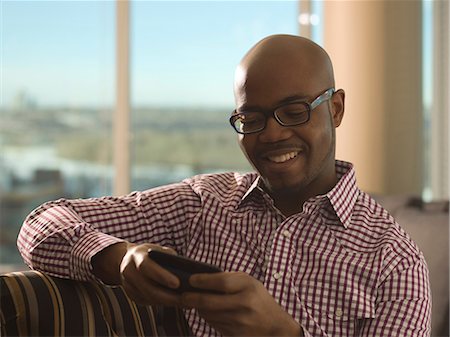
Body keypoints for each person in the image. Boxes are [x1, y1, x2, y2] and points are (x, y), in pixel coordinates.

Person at [17, 34, 431, 337]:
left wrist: (281, 335)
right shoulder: (204, 203)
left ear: (335, 109)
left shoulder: (394, 262)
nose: (270, 135)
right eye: (251, 119)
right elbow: (40, 225)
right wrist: (117, 258)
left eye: (293, 111)